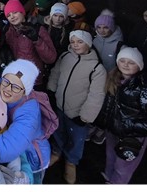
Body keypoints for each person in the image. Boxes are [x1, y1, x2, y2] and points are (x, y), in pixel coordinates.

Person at [97, 47, 147, 184]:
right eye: (122, 60)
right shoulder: (113, 79)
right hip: (112, 130)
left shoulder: (144, 88)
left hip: (132, 136)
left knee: (123, 167)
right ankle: (108, 178)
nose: (126, 65)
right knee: (110, 157)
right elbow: (108, 105)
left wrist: (130, 126)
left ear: (139, 65)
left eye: (131, 62)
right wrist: (103, 121)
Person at [47, 30, 106, 184]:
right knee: (58, 130)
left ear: (88, 44)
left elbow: (96, 95)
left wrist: (85, 116)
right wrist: (51, 91)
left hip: (78, 113)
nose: (75, 45)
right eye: (73, 42)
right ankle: (57, 151)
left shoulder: (96, 68)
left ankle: (71, 161)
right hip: (60, 105)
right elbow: (55, 73)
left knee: (76, 139)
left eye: (79, 42)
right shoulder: (65, 57)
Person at [0, 58, 59, 183]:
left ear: (24, 92)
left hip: (33, 158)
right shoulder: (3, 88)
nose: (8, 88)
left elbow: (8, 147)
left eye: (16, 87)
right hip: (20, 153)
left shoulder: (29, 112)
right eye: (6, 81)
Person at [3, 0, 57, 85]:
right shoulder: (8, 32)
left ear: (22, 12)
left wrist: (37, 40)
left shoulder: (38, 29)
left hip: (33, 80)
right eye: (9, 15)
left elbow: (51, 58)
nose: (12, 16)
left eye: (15, 12)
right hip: (16, 79)